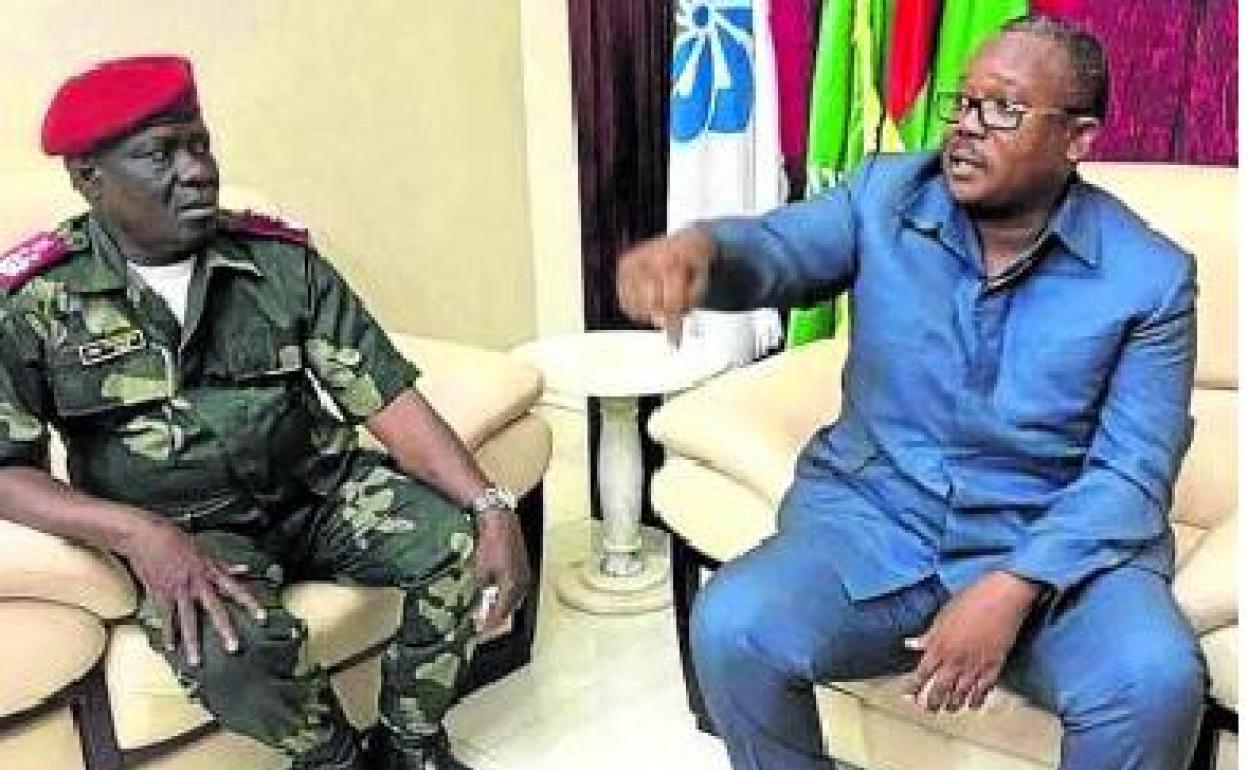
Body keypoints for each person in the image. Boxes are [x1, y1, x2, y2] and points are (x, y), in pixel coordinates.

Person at [618, 16, 1204, 770]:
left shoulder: (1150, 277)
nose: (967, 127)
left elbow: (1132, 474)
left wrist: (1014, 584)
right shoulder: (883, 196)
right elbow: (777, 250)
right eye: (963, 102)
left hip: (1055, 548)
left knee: (1153, 679)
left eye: (1004, 109)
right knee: (735, 625)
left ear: (1078, 139)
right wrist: (702, 255)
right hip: (878, 522)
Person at [0, 55, 530, 770]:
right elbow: (6, 473)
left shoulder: (278, 261)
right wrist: (137, 533)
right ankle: (335, 761)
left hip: (318, 490)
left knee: (466, 548)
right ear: (89, 178)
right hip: (189, 531)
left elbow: (384, 394)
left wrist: (490, 505)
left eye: (199, 144)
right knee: (226, 652)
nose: (196, 171)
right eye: (161, 154)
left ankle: (410, 745)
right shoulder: (34, 301)